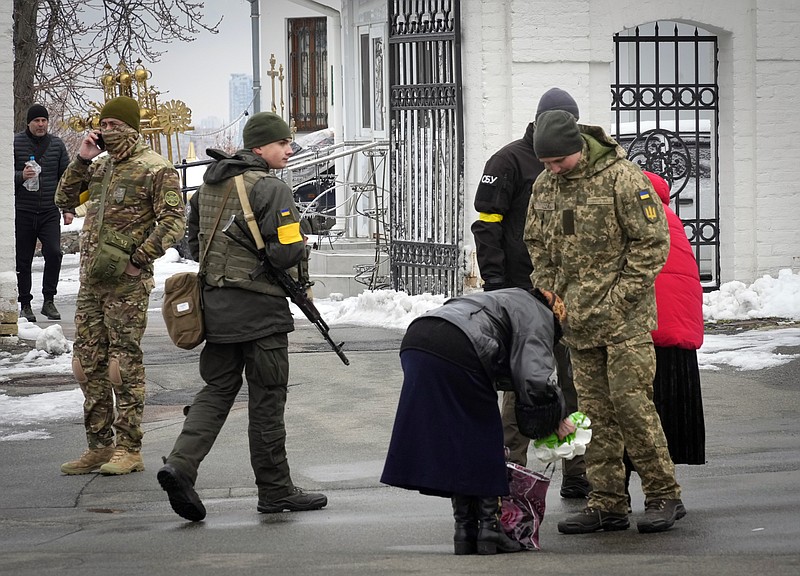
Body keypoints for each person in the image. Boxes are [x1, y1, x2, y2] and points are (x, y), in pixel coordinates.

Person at [157, 112, 326, 522]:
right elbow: (287, 252)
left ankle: (180, 465)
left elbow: (193, 243)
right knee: (267, 400)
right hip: (262, 312)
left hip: (216, 308)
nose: (289, 149)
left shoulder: (210, 185)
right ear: (258, 149)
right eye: (282, 144)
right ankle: (275, 490)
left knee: (216, 391)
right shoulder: (272, 188)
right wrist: (297, 241)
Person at [524, 110, 685, 534]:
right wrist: (548, 289)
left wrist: (617, 299)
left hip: (624, 321)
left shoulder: (624, 179)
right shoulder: (545, 185)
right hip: (575, 320)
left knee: (632, 407)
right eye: (546, 163)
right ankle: (608, 502)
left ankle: (663, 494)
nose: (553, 169)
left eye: (559, 161)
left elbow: (652, 246)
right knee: (593, 414)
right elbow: (535, 242)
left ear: (579, 147)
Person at [381, 287, 574, 555]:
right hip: (459, 345)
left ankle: (465, 530)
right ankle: (490, 529)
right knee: (485, 437)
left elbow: (511, 369)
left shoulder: (506, 298)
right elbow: (535, 376)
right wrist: (556, 415)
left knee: (460, 440)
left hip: (418, 339)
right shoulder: (540, 314)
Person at [55, 96, 186, 475]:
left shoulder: (155, 169)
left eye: (114, 125)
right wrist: (81, 157)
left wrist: (138, 260)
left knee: (121, 365)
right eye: (103, 124)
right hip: (92, 283)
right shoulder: (98, 167)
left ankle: (129, 448)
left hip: (126, 286)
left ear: (131, 127)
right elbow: (63, 198)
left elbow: (174, 222)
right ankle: (98, 446)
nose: (107, 131)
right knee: (86, 364)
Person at [471, 87, 589, 499]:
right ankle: (508, 470)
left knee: (572, 384)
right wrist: (498, 288)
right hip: (521, 295)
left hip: (567, 295)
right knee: (522, 384)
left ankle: (578, 472)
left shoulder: (577, 163)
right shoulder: (508, 161)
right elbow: (486, 227)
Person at [624, 171, 705, 482]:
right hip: (678, 328)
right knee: (670, 410)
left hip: (648, 327)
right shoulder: (669, 216)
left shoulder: (638, 217)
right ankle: (665, 478)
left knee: (640, 409)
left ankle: (647, 484)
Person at [13, 104, 72, 322]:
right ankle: (25, 304)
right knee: (23, 260)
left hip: (48, 210)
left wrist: (68, 209)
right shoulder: (16, 142)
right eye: (36, 121)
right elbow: (5, 175)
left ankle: (49, 301)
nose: (40, 124)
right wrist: (21, 176)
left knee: (55, 253)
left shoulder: (56, 144)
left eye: (43, 120)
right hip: (24, 210)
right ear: (28, 123)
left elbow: (67, 180)